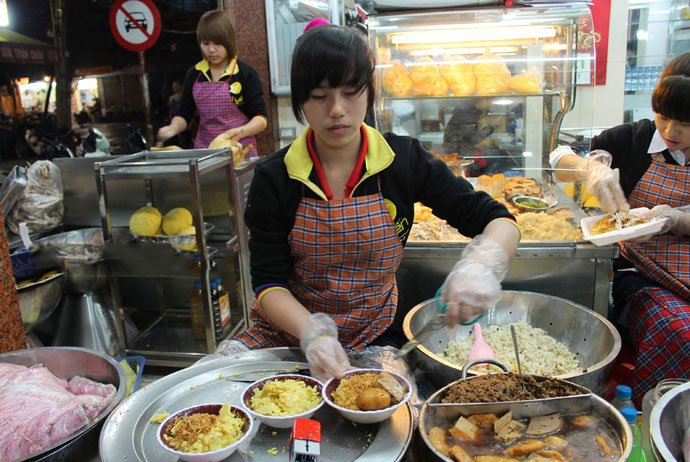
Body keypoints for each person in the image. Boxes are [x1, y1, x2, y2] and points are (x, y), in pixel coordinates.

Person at [208, 25, 520, 381]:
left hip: (376, 337)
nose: (337, 110)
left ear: (369, 92)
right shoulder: (275, 177)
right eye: (319, 95)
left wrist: (484, 263)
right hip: (286, 333)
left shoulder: (403, 160)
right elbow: (268, 284)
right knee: (214, 387)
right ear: (300, 101)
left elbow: (499, 220)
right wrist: (313, 332)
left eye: (350, 91)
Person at [549, 51, 690, 405]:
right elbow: (557, 156)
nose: (671, 131)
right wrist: (589, 169)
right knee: (678, 329)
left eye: (686, 124)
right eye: (663, 116)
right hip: (642, 271)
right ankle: (653, 414)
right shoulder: (632, 140)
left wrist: (672, 219)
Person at [156, 10, 267, 157]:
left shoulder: (245, 73)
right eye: (206, 43)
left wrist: (239, 132)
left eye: (218, 44)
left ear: (229, 41)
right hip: (206, 152)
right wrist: (174, 127)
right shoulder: (195, 74)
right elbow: (185, 112)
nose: (211, 50)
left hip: (240, 149)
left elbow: (261, 119)